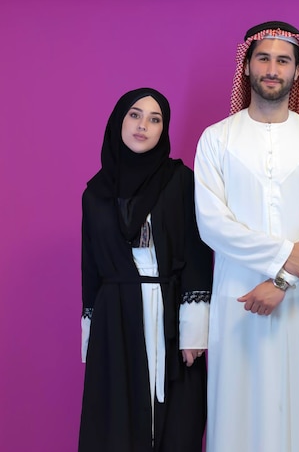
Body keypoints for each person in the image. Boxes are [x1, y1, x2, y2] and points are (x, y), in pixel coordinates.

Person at [194, 21, 299, 452]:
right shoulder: (216, 139)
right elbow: (212, 224)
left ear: (298, 71)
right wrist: (283, 256)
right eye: (264, 58)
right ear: (247, 66)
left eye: (283, 60)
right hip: (241, 299)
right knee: (241, 412)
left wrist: (283, 281)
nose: (272, 68)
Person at [79, 87, 213, 452]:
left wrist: (193, 332)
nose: (143, 126)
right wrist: (92, 334)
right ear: (119, 121)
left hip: (168, 312)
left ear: (163, 129)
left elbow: (197, 252)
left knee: (176, 418)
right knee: (116, 419)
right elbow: (90, 266)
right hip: (114, 316)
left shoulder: (179, 181)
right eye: (135, 115)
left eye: (155, 119)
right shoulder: (95, 193)